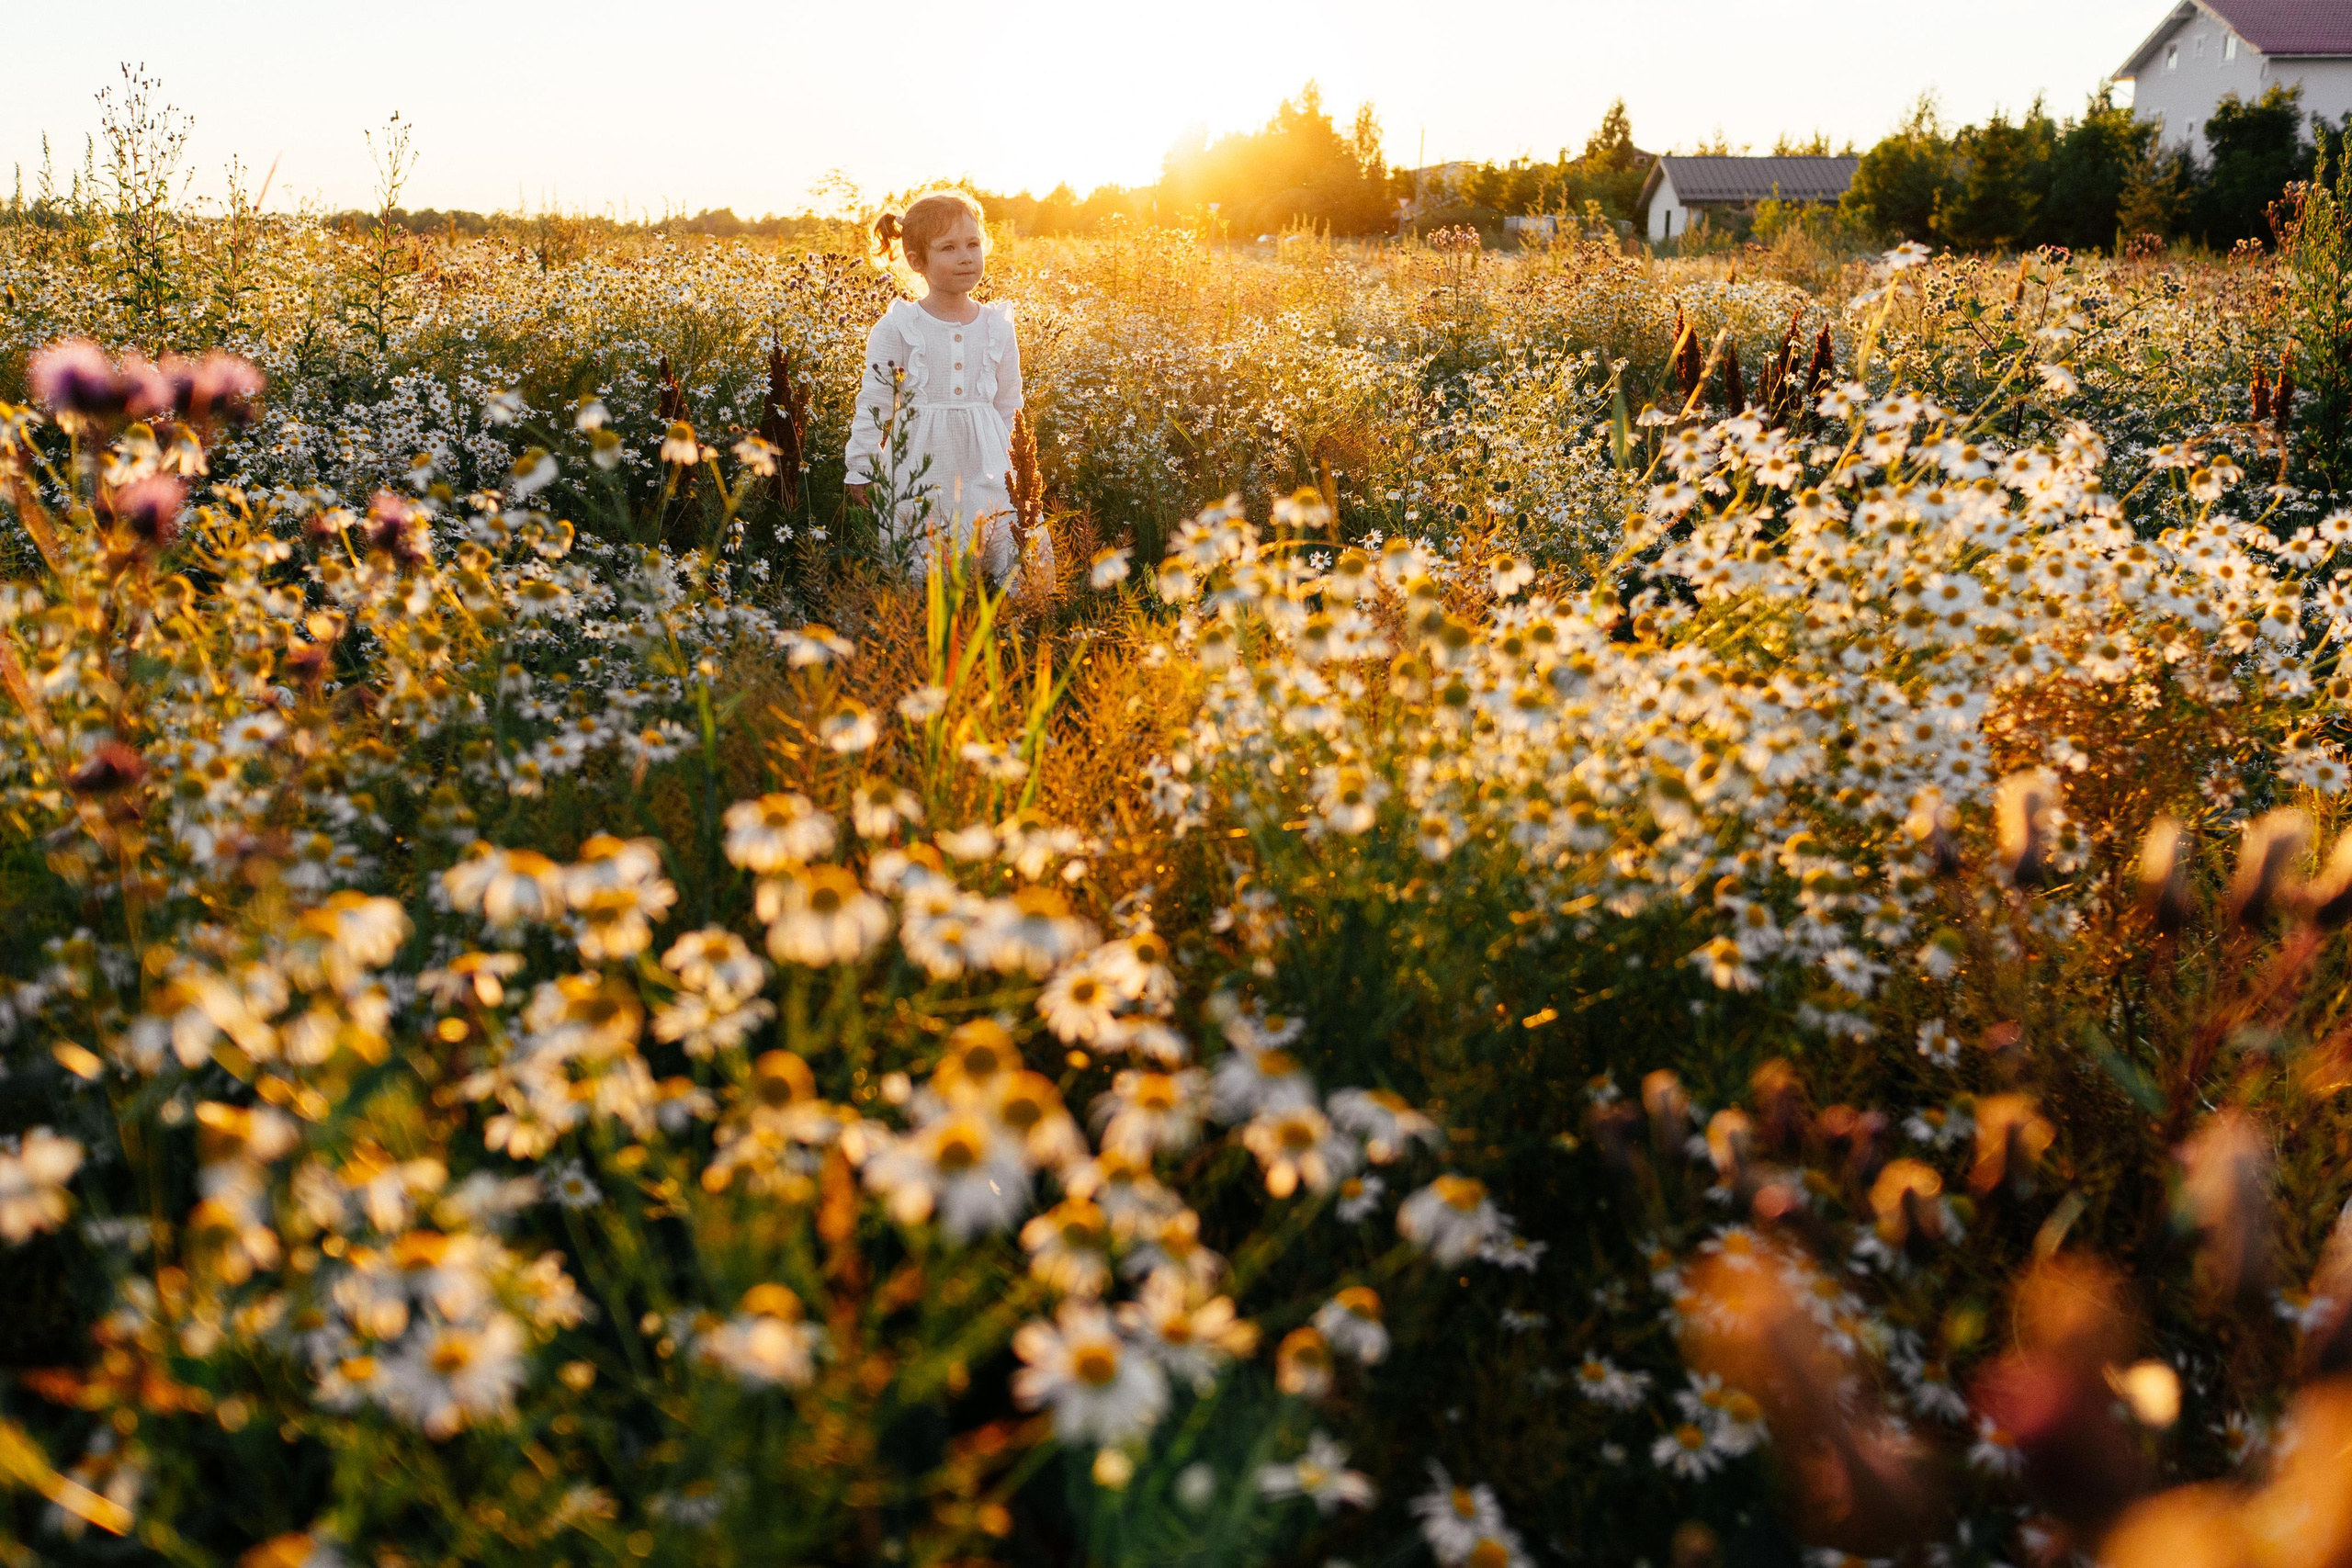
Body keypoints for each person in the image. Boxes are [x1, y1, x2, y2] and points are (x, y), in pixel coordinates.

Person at [843, 189, 1040, 582]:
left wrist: (1016, 467)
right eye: (948, 247)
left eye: (973, 243)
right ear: (917, 261)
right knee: (924, 555)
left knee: (999, 546)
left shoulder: (997, 326)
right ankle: (927, 628)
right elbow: (874, 400)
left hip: (986, 460)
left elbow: (1009, 402)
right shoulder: (898, 326)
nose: (966, 256)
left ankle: (1004, 625)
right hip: (920, 459)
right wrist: (861, 464)